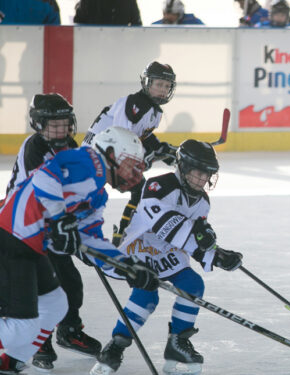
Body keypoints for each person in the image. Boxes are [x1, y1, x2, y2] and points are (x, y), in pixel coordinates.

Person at [0, 127, 159, 374]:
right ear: (110, 152)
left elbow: (90, 238)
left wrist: (128, 267)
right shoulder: (86, 160)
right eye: (130, 164)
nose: (135, 173)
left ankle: (10, 362)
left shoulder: (97, 194)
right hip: (9, 238)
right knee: (23, 327)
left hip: (29, 246)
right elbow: (44, 177)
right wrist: (59, 218)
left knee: (56, 305)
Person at [90, 140, 243, 375]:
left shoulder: (202, 201)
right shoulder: (158, 186)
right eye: (197, 172)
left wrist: (217, 256)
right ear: (183, 168)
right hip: (139, 248)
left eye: (207, 174)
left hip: (168, 251)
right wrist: (201, 237)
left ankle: (177, 342)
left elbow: (193, 239)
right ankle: (117, 345)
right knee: (146, 295)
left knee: (193, 284)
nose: (202, 179)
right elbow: (166, 227)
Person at [2, 94, 103, 373]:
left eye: (64, 124)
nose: (61, 130)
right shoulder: (35, 147)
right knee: (40, 287)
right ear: (38, 125)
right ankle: (40, 341)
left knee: (69, 280)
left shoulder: (69, 145)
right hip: (22, 226)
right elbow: (44, 188)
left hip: (48, 222)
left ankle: (69, 330)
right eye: (53, 125)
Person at [82, 61, 178, 248]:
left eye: (167, 86)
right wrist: (149, 156)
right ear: (147, 83)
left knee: (139, 190)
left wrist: (165, 150)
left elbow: (142, 137)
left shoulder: (154, 111)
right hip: (94, 157)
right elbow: (123, 138)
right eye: (159, 84)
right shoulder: (135, 104)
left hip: (108, 156)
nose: (163, 90)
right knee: (88, 201)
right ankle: (116, 235)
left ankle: (123, 234)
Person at [73, 0, 142, 25]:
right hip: (93, 46)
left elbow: (137, 25)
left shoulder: (129, 2)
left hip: (120, 47)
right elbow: (78, 24)